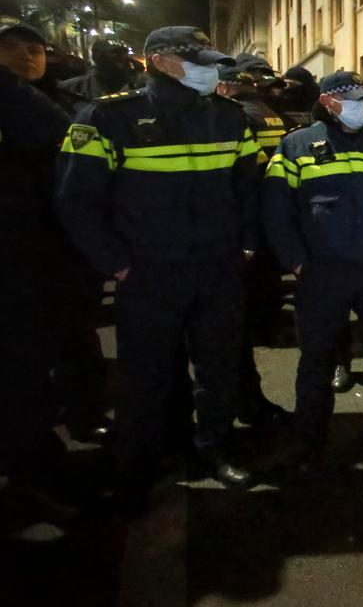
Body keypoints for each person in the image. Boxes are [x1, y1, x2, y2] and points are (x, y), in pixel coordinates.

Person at [55, 26, 260, 502]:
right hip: (149, 273)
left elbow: (248, 188)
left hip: (217, 268)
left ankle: (214, 446)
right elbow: (76, 202)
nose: (211, 73)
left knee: (219, 368)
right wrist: (118, 265)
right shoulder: (109, 118)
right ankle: (142, 458)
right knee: (146, 374)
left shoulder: (229, 118)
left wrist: (247, 246)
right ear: (162, 61)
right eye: (201, 62)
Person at [262, 71, 363, 464]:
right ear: (330, 102)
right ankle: (311, 428)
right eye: (355, 100)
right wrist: (297, 263)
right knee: (318, 353)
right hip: (323, 271)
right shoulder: (296, 146)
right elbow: (275, 212)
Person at [0, 18, 89, 516]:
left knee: (53, 350)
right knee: (20, 370)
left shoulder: (53, 100)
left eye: (34, 49)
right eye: (11, 49)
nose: (25, 57)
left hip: (44, 252)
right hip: (17, 256)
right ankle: (34, 472)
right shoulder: (16, 98)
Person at [211, 61, 293, 425]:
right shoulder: (267, 111)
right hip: (265, 207)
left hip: (249, 209)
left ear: (225, 88)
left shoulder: (238, 116)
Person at [61, 39, 139, 101]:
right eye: (115, 53)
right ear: (98, 57)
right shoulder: (73, 87)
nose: (122, 57)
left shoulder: (138, 84)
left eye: (124, 53)